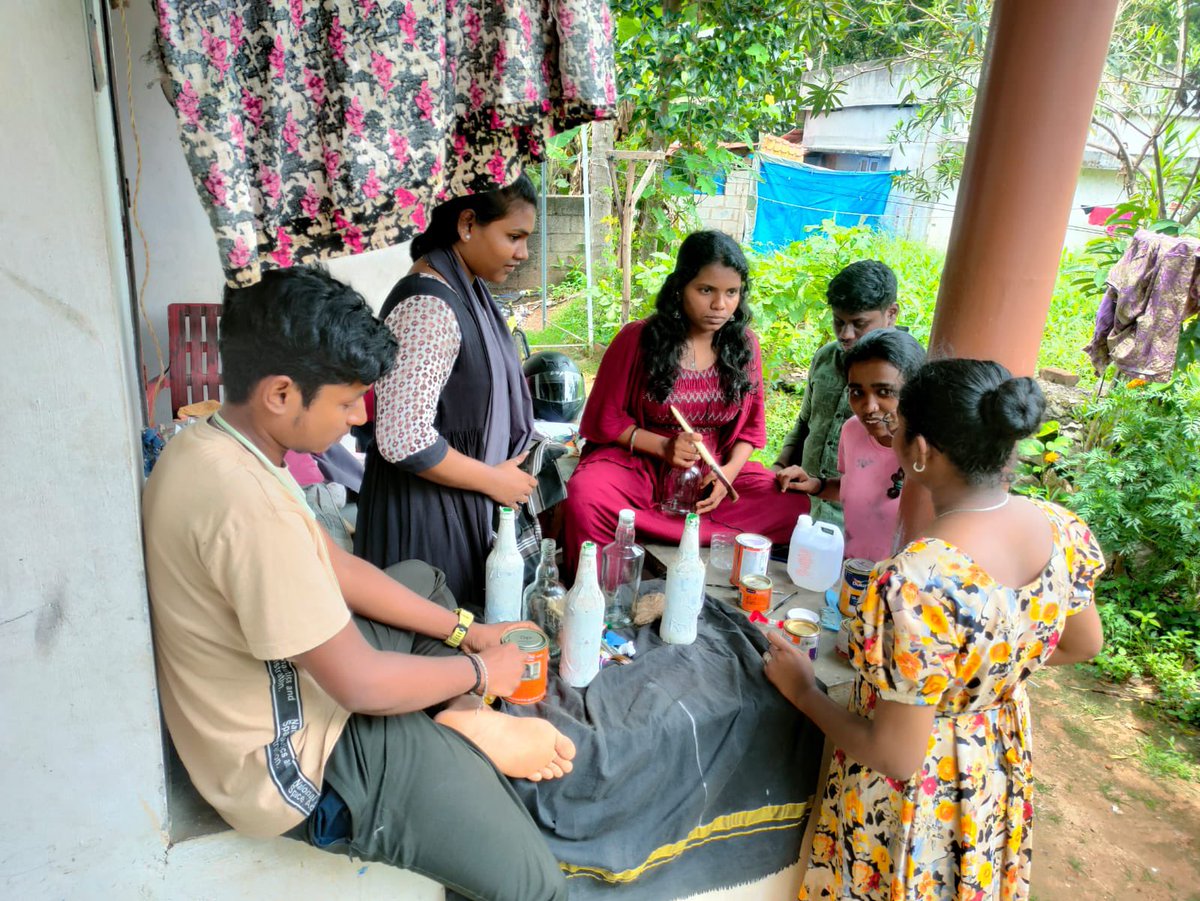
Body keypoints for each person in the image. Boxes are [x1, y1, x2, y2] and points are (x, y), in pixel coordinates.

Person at [143, 266, 574, 901]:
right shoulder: (246, 506)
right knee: (538, 887)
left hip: (287, 685)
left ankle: (460, 721)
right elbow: (360, 684)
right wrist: (485, 673)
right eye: (346, 402)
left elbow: (335, 565)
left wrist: (471, 633)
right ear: (281, 393)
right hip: (296, 763)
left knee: (422, 583)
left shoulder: (219, 442)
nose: (357, 418)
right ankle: (458, 725)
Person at [763, 359, 1105, 901]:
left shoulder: (917, 580)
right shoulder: (1061, 528)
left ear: (919, 450)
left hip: (918, 795)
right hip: (994, 762)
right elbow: (1084, 643)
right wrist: (988, 676)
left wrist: (803, 690)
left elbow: (896, 755)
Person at [561, 230, 811, 569]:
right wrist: (664, 447)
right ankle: (604, 581)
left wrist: (727, 475)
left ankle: (657, 527)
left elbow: (750, 431)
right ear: (680, 287)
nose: (720, 305)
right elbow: (605, 419)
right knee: (586, 496)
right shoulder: (638, 339)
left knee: (792, 505)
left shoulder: (745, 346)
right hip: (639, 465)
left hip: (710, 474)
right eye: (706, 290)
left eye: (732, 292)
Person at [355, 175, 540, 609]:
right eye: (514, 236)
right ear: (467, 224)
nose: (523, 253)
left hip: (451, 499)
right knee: (438, 627)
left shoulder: (461, 291)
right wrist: (494, 480)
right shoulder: (428, 306)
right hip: (424, 514)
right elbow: (404, 438)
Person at [779, 328, 925, 563]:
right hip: (852, 569)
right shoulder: (852, 430)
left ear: (914, 391)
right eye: (857, 392)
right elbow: (856, 488)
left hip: (901, 578)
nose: (869, 407)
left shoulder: (928, 452)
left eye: (885, 392)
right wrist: (816, 485)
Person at [774, 260, 898, 531]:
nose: (845, 334)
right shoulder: (824, 358)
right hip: (804, 509)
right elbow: (805, 423)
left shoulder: (904, 374)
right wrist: (779, 465)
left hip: (861, 526)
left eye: (859, 324)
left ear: (891, 314)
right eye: (838, 322)